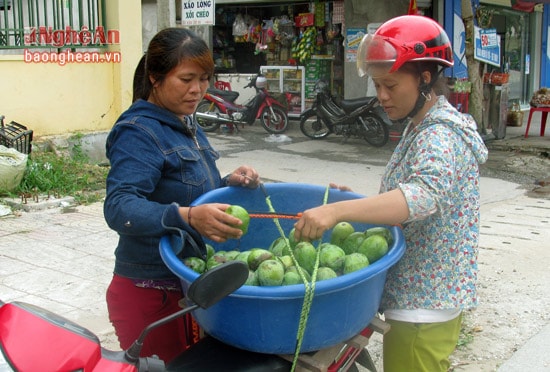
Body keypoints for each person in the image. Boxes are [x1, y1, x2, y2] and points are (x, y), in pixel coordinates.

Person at [293, 15, 488, 372]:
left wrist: (337, 213)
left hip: (422, 307)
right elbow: (409, 192)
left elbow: (422, 195)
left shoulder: (439, 136)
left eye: (391, 85)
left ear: (425, 79)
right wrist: (355, 202)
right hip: (421, 299)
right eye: (377, 85)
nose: (381, 96)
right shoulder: (421, 126)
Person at [103, 27, 260, 363]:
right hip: (150, 294)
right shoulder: (138, 132)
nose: (198, 90)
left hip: (187, 285)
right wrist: (186, 216)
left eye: (204, 79)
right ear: (156, 77)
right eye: (187, 78)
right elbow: (119, 207)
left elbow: (187, 186)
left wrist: (227, 182)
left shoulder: (184, 120)